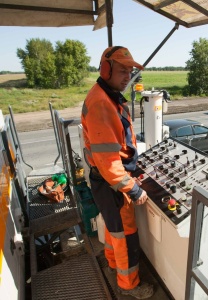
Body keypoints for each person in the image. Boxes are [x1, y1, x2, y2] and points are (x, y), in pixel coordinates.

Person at [81, 46, 154, 299]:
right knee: (126, 237)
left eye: (130, 71)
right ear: (106, 69)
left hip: (104, 182)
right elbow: (109, 163)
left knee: (114, 230)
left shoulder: (105, 94)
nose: (127, 76)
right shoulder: (102, 103)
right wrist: (133, 189)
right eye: (122, 70)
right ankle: (129, 285)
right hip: (113, 184)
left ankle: (113, 264)